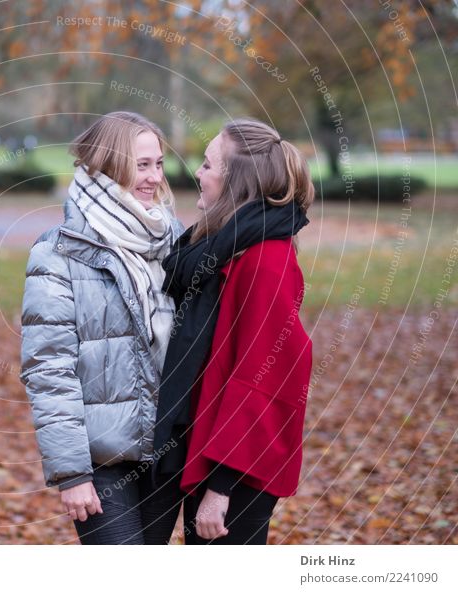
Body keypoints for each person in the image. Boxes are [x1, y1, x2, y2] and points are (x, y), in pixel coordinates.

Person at [19, 112, 186, 544]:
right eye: (141, 165)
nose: (153, 177)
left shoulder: (173, 239)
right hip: (100, 463)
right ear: (108, 165)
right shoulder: (58, 252)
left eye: (158, 164)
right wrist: (72, 472)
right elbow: (47, 368)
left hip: (166, 453)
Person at [153, 117, 314, 545]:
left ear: (235, 182)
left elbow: (264, 378)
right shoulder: (224, 245)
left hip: (236, 469)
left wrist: (220, 489)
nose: (198, 175)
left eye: (208, 165)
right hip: (208, 452)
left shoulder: (265, 260)